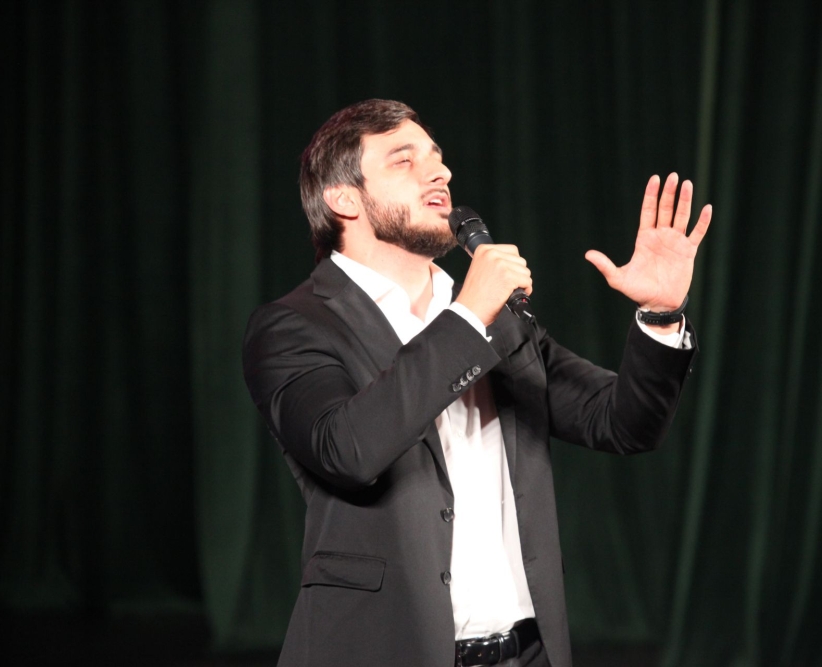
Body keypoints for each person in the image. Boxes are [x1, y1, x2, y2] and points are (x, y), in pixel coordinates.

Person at [242, 99, 712, 667]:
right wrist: (466, 318)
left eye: (437, 158)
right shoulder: (295, 325)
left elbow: (623, 423)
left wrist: (661, 314)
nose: (439, 172)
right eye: (404, 160)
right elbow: (347, 449)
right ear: (344, 199)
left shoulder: (500, 320)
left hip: (527, 653)